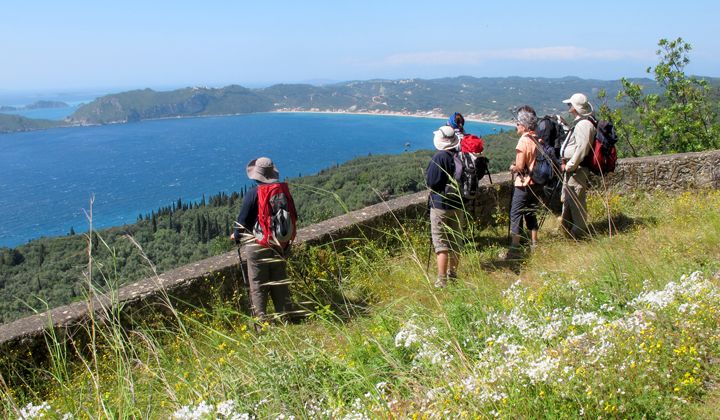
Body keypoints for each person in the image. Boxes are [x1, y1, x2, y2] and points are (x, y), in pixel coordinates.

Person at [229, 157, 295, 327]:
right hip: (279, 243)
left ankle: (260, 322)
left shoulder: (253, 193)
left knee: (258, 283)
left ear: (256, 175)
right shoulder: (281, 190)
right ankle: (285, 317)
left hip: (258, 244)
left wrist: (235, 235)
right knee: (279, 280)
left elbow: (242, 222)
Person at [426, 124, 464, 288]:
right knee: (456, 241)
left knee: (441, 244)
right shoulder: (460, 156)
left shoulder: (439, 157)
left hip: (440, 205)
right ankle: (453, 275)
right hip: (458, 203)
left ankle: (442, 280)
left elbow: (432, 182)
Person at [506, 105, 542, 258]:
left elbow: (520, 166)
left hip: (523, 183)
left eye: (518, 123)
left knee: (516, 213)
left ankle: (515, 248)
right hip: (536, 182)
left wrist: (513, 167)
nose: (516, 126)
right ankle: (534, 243)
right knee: (531, 212)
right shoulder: (537, 138)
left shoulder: (523, 141)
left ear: (523, 125)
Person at [559, 93, 595, 239]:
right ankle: (568, 231)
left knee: (576, 203)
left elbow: (582, 149)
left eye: (570, 105)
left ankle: (578, 234)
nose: (568, 107)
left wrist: (570, 166)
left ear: (575, 108)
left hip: (576, 170)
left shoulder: (584, 124)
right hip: (573, 169)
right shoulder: (581, 123)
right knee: (569, 201)